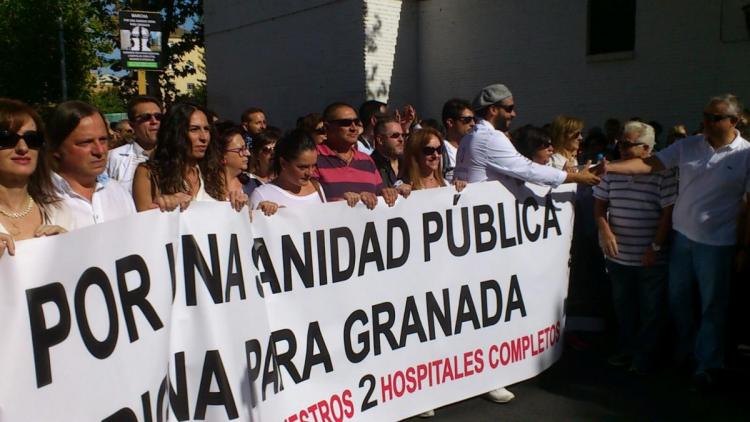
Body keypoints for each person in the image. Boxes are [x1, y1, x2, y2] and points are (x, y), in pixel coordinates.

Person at [605, 94, 750, 391]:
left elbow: (748, 208)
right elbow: (648, 165)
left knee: (713, 306)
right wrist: (606, 168)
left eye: (714, 117)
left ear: (734, 121)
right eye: (705, 115)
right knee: (678, 301)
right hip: (682, 237)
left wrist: (744, 247)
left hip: (718, 244)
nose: (707, 122)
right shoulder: (689, 145)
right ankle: (685, 352)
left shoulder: (746, 155)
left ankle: (709, 363)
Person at [593, 122, 677, 373]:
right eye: (620, 143)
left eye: (628, 144)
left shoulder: (664, 173)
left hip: (649, 257)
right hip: (618, 258)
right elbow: (599, 206)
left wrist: (655, 247)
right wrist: (605, 230)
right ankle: (626, 350)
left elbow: (667, 215)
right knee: (624, 308)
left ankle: (645, 356)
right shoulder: (611, 171)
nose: (621, 148)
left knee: (651, 310)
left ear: (647, 148)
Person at [454, 83, 601, 188]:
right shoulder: (490, 137)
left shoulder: (469, 137)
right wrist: (575, 177)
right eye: (509, 108)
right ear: (493, 109)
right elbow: (528, 169)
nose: (513, 114)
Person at [47, 101, 135, 229]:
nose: (99, 151)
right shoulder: (41, 200)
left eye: (103, 140)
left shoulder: (119, 192)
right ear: (56, 147)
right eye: (86, 142)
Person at [132, 103, 233, 212]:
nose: (204, 137)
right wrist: (163, 205)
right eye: (194, 129)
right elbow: (144, 223)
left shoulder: (212, 172)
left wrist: (237, 207)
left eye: (206, 129)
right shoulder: (149, 173)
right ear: (175, 133)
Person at [0, 98, 68, 257]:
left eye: (32, 139)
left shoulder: (61, 210)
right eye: (6, 138)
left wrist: (71, 247)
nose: (23, 148)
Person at [316, 102, 398, 209]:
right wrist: (339, 203)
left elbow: (379, 194)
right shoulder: (313, 158)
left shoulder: (367, 160)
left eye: (356, 122)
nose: (354, 128)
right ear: (327, 127)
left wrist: (388, 193)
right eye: (346, 123)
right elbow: (305, 202)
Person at [250, 129, 326, 215]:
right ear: (283, 163)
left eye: (313, 166)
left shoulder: (317, 187)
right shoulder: (262, 195)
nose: (310, 173)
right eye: (303, 167)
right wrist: (263, 215)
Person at [107, 96, 163, 193]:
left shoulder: (177, 156)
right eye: (146, 117)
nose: (154, 121)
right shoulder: (113, 157)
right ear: (132, 125)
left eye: (159, 117)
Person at [441, 98, 475, 182]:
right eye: (467, 120)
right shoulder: (439, 151)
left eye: (474, 119)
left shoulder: (474, 148)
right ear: (450, 122)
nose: (473, 124)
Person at [217, 125, 256, 197]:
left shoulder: (254, 185)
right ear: (222, 156)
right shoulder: (204, 187)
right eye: (241, 150)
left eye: (246, 149)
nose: (248, 153)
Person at [370, 117, 405, 188]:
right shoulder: (369, 166)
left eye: (403, 135)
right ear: (380, 140)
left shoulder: (408, 163)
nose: (401, 139)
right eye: (395, 135)